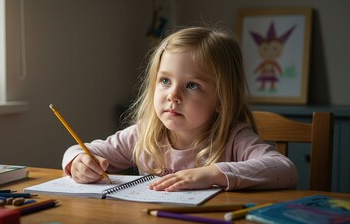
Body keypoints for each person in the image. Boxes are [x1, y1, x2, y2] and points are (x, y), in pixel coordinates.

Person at [62, 26, 297, 191]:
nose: (173, 95)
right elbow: (83, 150)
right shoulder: (144, 135)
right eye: (165, 81)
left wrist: (212, 174)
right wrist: (78, 162)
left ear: (221, 99)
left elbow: (284, 169)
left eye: (192, 85)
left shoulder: (234, 138)